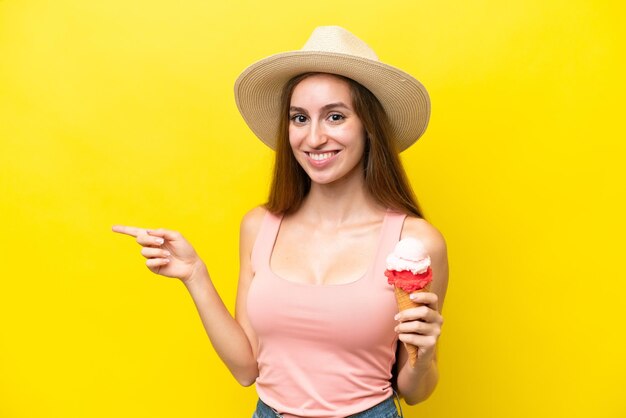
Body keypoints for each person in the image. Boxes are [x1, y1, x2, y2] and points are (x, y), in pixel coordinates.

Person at [112, 26, 448, 418]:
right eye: (300, 118)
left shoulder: (416, 242)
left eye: (335, 116)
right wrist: (194, 275)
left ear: (369, 127)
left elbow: (415, 392)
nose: (314, 137)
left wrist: (421, 360)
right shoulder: (259, 226)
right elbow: (245, 368)